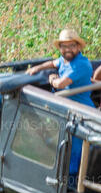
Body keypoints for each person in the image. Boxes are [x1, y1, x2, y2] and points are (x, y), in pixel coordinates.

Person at [27, 28, 95, 174]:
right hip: (67, 111)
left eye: (72, 46)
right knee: (64, 145)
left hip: (81, 113)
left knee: (76, 151)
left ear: (78, 47)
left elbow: (60, 84)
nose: (68, 49)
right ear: (60, 48)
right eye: (64, 46)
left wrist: (51, 78)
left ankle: (72, 186)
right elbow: (53, 63)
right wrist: (37, 68)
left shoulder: (80, 64)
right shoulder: (65, 59)